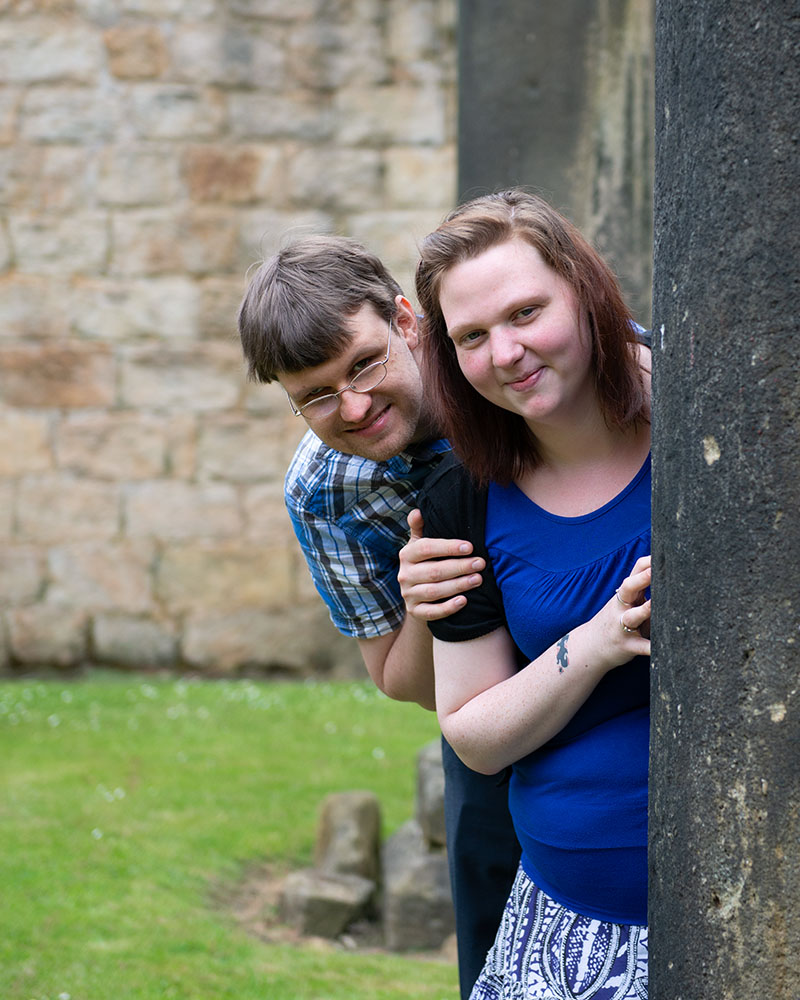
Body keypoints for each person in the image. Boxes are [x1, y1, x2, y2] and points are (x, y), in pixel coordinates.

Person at [236, 234, 521, 998]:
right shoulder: (321, 490)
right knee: (496, 955)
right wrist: (427, 604)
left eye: (364, 363)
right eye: (317, 396)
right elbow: (397, 681)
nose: (353, 407)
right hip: (484, 710)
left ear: (405, 319)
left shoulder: (500, 365)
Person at [403, 189, 652, 999]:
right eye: (471, 337)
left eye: (524, 313)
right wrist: (597, 643)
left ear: (582, 290)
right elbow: (473, 732)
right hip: (568, 932)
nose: (504, 352)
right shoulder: (462, 500)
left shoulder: (710, 410)